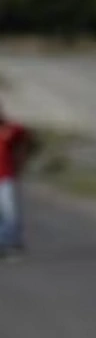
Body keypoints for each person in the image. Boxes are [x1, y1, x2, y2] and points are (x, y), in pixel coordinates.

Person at [0, 103, 35, 257]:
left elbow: (26, 139)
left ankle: (11, 242)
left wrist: (21, 161)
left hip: (6, 175)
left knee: (10, 211)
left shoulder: (12, 129)